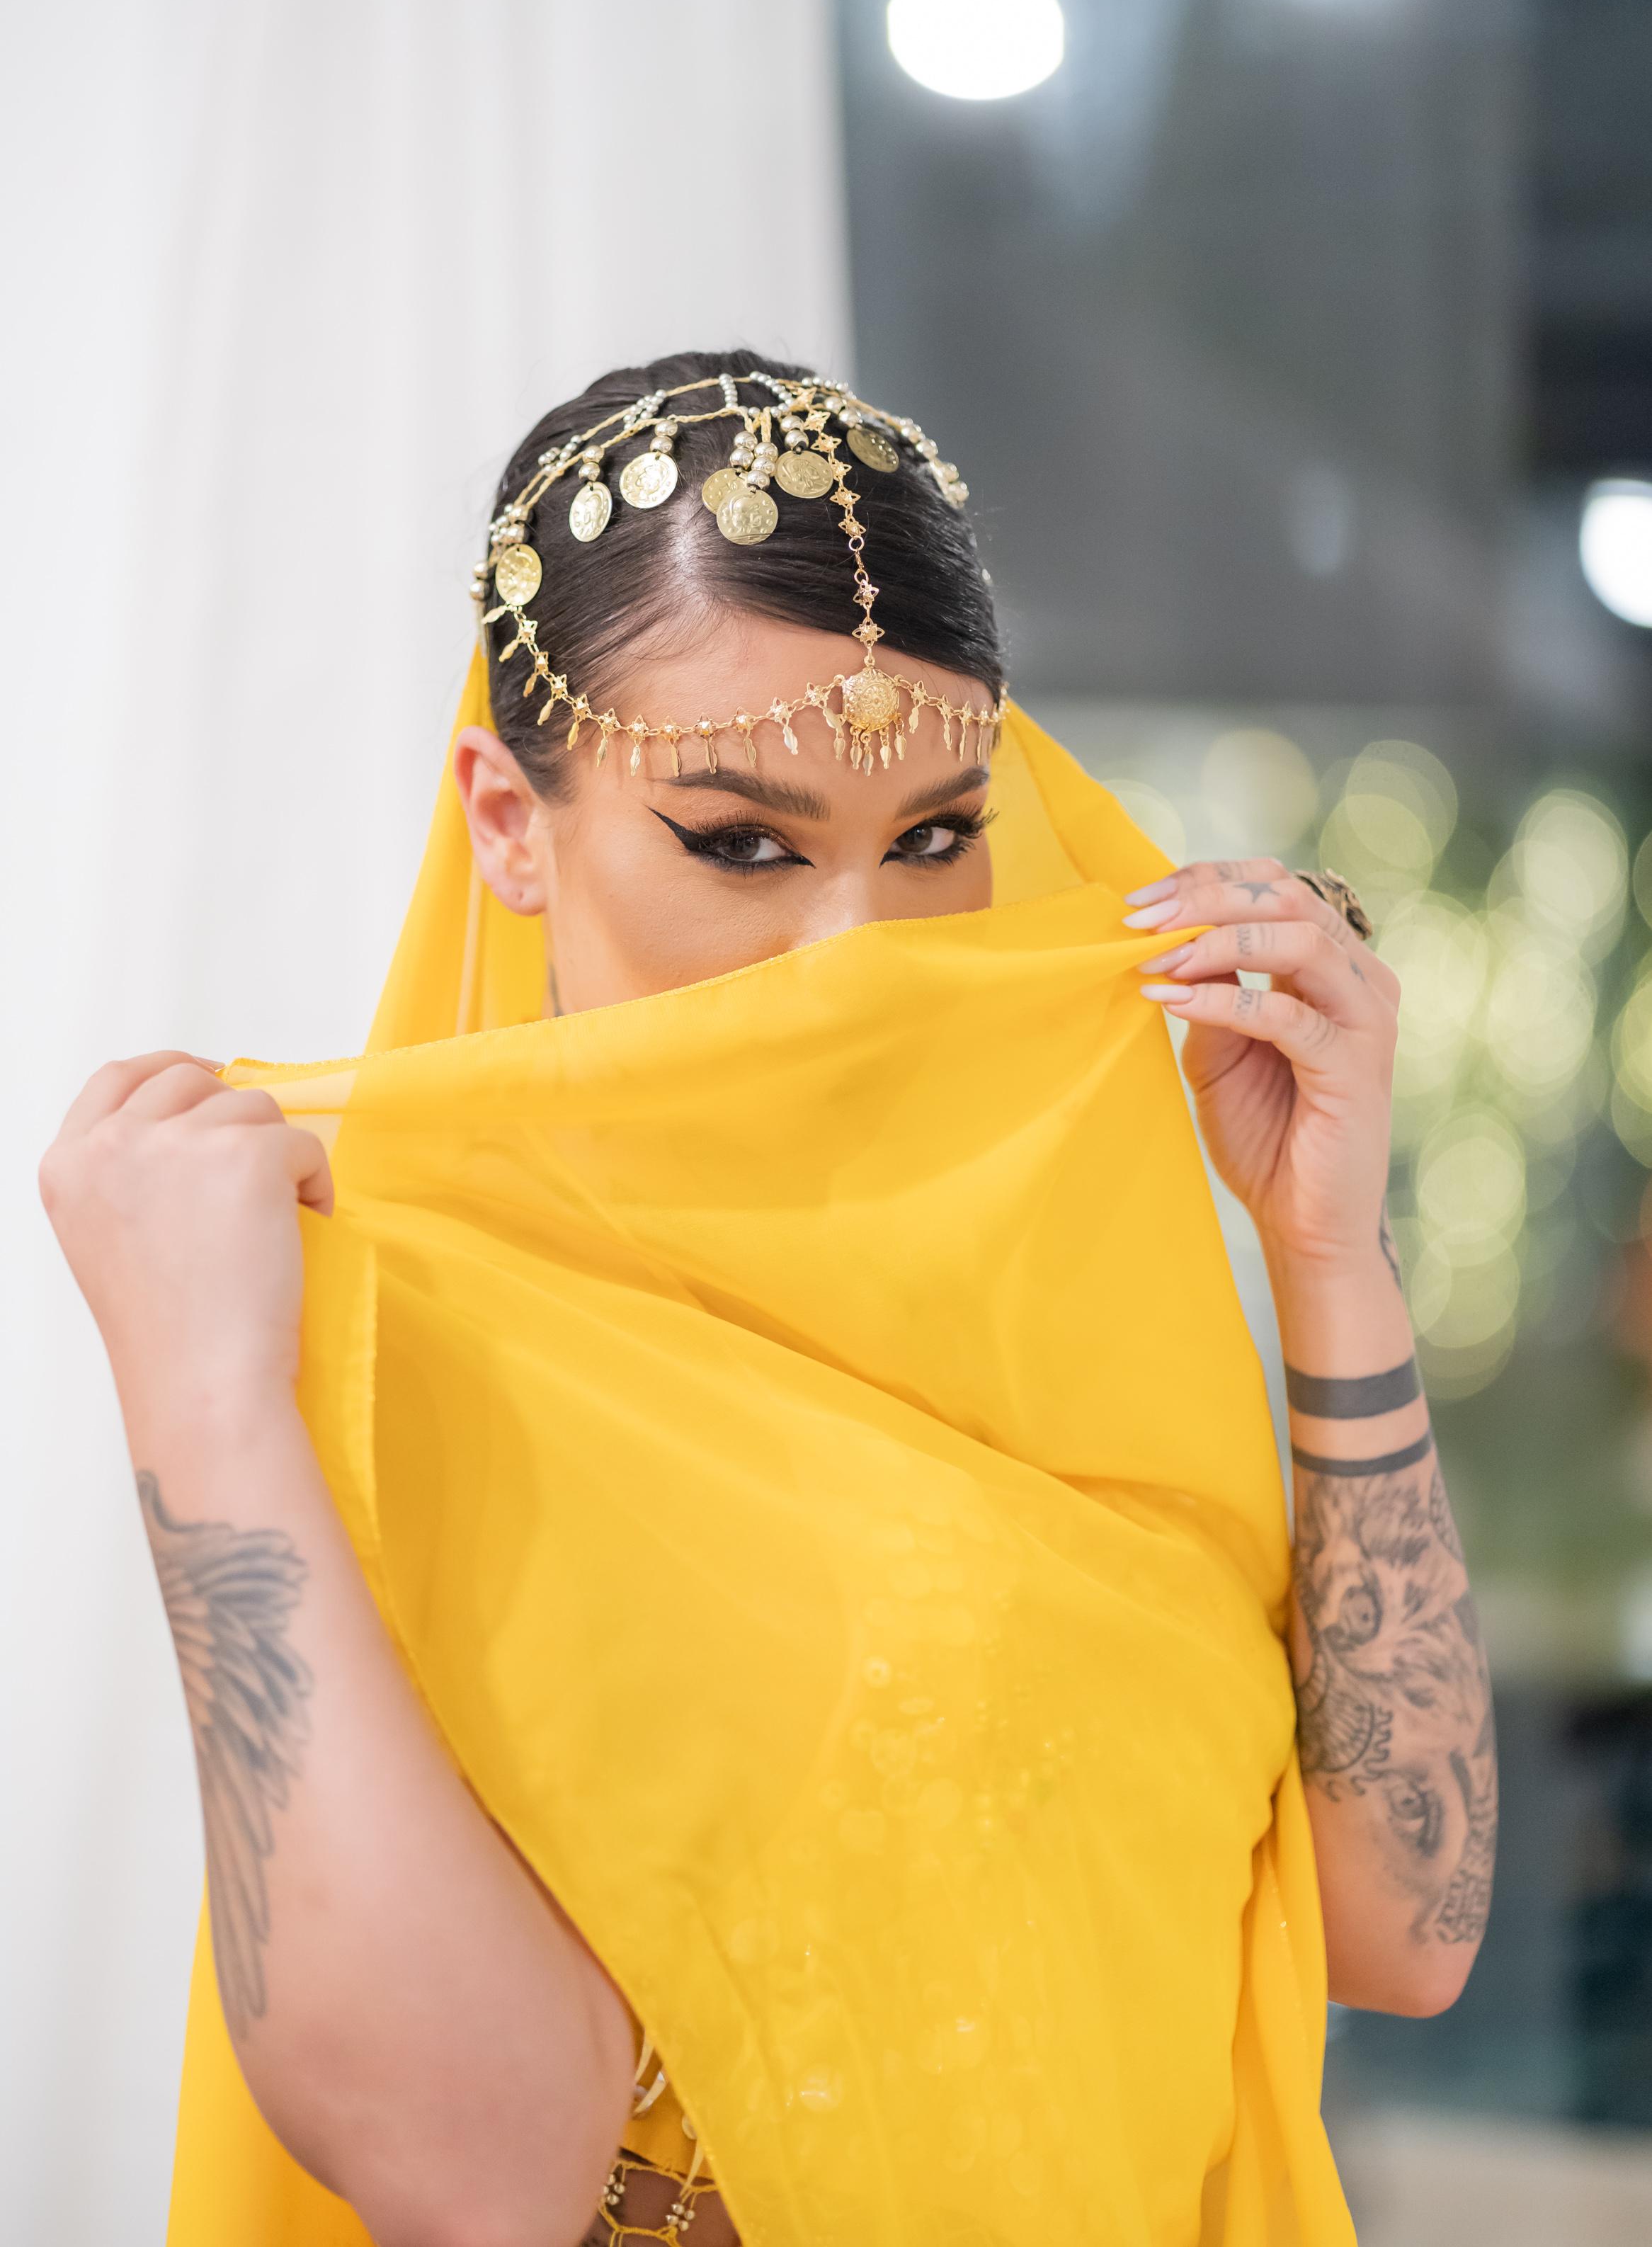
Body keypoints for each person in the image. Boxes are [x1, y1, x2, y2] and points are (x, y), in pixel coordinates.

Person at [42, 352, 1496, 2247]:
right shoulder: (372, 1315)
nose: (854, 955)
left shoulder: (1060, 1292)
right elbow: (480, 2170)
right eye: (741, 843)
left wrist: (1331, 1262)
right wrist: (204, 1400)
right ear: (507, 821)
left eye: (937, 838)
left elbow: (1406, 1921)